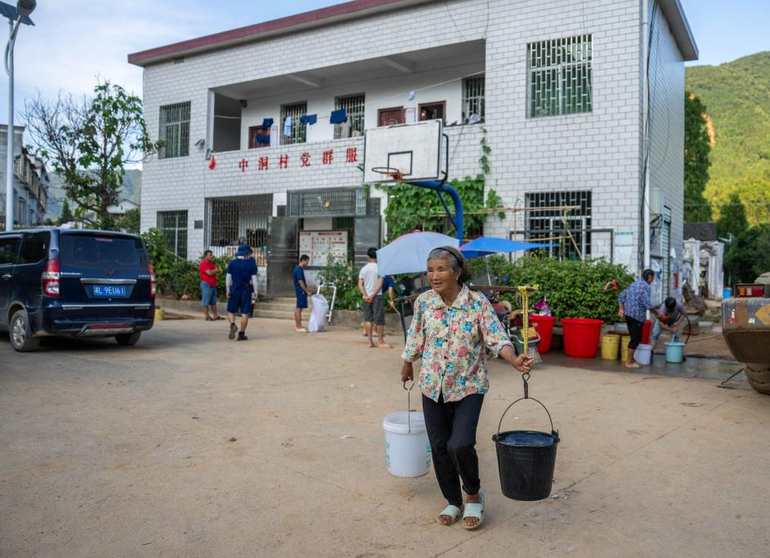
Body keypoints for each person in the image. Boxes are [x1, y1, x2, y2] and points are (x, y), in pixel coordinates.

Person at [400, 246, 533, 530]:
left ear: (457, 272)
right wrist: (407, 362)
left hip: (469, 385)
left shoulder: (477, 304)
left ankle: (473, 494)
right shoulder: (424, 302)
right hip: (432, 384)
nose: (434, 276)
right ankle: (453, 500)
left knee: (459, 443)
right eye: (430, 269)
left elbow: (497, 337)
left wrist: (513, 358)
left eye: (441, 269)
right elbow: (416, 334)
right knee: (439, 446)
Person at [618, 269, 660, 368]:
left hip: (628, 314)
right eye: (653, 277)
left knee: (636, 337)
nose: (653, 280)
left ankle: (632, 359)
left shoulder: (634, 284)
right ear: (649, 277)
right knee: (635, 338)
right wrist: (657, 313)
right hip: (636, 316)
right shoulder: (645, 286)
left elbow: (621, 296)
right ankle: (629, 362)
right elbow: (646, 303)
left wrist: (621, 309)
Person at [226, 245, 258, 341]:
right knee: (245, 313)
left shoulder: (232, 263)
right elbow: (254, 278)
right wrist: (255, 291)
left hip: (235, 290)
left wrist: (227, 290)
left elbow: (228, 278)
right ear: (246, 253)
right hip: (246, 291)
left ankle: (232, 324)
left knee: (231, 311)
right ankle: (241, 334)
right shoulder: (251, 264)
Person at [358, 247, 386, 348]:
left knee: (368, 319)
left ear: (368, 256)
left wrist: (366, 295)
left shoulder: (364, 269)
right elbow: (380, 283)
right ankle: (380, 341)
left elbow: (360, 284)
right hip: (377, 296)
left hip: (366, 298)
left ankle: (370, 342)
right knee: (379, 319)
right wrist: (373, 295)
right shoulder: (380, 268)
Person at [199, 250, 222, 321]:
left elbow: (214, 272)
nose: (212, 256)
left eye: (212, 255)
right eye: (210, 255)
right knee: (206, 300)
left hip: (213, 284)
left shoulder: (212, 264)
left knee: (213, 301)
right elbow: (209, 273)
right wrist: (216, 270)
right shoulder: (203, 263)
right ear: (206, 256)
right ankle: (207, 316)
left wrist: (215, 271)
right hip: (206, 283)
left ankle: (215, 315)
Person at [293, 254, 313, 333]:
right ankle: (299, 326)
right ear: (303, 260)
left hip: (299, 290)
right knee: (299, 308)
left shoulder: (297, 268)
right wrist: (307, 291)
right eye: (307, 261)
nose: (307, 263)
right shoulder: (299, 269)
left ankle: (297, 325)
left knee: (298, 308)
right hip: (301, 290)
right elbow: (300, 281)